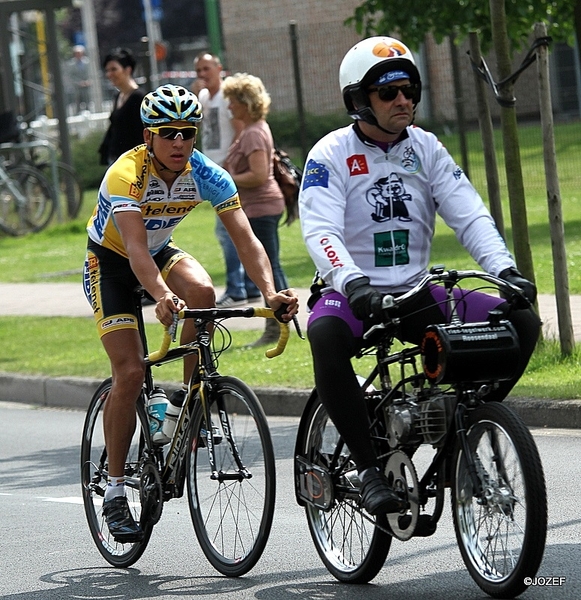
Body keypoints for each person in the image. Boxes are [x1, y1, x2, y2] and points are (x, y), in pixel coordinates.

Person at [298, 36, 540, 516]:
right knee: (324, 336)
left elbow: (469, 214)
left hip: (416, 291)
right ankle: (369, 470)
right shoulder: (330, 153)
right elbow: (320, 228)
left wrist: (505, 271)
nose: (403, 100)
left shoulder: (426, 148)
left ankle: (461, 425)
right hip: (353, 293)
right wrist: (352, 282)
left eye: (409, 89)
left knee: (523, 322)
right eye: (388, 93)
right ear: (359, 100)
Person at [82, 84, 298, 542]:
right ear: (148, 136)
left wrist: (272, 292)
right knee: (130, 371)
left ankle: (186, 400)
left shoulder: (205, 173)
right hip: (112, 264)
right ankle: (117, 491)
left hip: (157, 253)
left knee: (202, 289)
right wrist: (161, 296)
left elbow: (247, 240)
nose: (180, 142)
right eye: (168, 133)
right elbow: (135, 252)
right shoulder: (127, 174)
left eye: (188, 131)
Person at [222, 72, 291, 346]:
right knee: (272, 266)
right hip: (261, 206)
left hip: (261, 206)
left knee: (268, 268)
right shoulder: (254, 129)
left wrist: (225, 181)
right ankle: (283, 322)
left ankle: (275, 328)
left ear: (244, 102)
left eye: (232, 101)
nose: (229, 107)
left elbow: (259, 175)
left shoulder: (253, 133)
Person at [192, 52, 258, 306]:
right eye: (198, 71)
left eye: (206, 69)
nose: (202, 75)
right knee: (231, 229)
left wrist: (229, 163)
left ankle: (236, 288)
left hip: (224, 169)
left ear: (219, 68)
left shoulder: (227, 96)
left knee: (227, 230)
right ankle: (249, 287)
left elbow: (239, 131)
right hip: (210, 166)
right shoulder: (204, 97)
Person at [98, 48, 146, 166]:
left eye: (114, 69)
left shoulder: (138, 98)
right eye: (107, 70)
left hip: (132, 163)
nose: (110, 74)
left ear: (127, 70)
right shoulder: (118, 96)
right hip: (116, 160)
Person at [67, 45, 91, 114]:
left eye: (80, 53)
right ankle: (77, 113)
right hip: (77, 87)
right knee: (77, 101)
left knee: (88, 100)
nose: (79, 55)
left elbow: (91, 73)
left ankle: (88, 112)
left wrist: (88, 81)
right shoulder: (71, 64)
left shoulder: (87, 62)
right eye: (77, 53)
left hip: (87, 86)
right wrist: (78, 82)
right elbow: (71, 76)